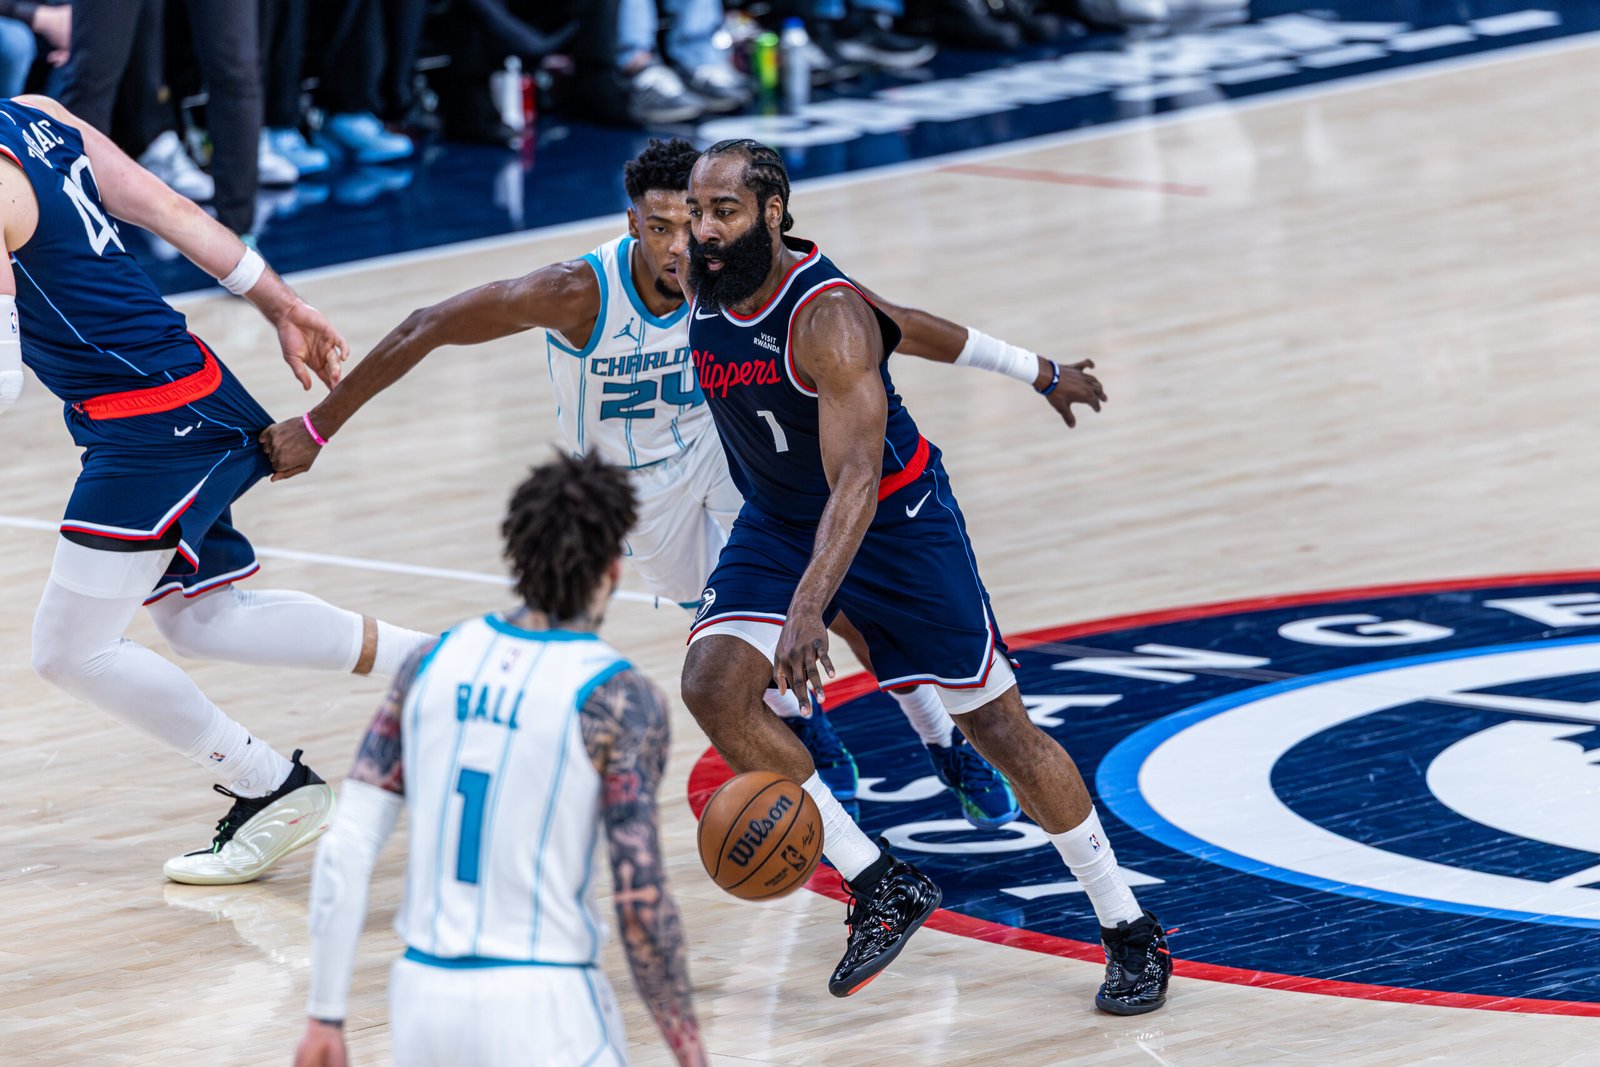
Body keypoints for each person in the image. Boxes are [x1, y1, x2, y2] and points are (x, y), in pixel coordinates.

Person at [259, 137, 1097, 832]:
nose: (677, 245)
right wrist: (320, 424)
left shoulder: (745, 277)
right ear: (634, 224)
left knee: (834, 591)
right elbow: (427, 325)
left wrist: (1037, 368)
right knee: (748, 658)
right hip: (642, 497)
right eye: (660, 226)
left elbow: (896, 323)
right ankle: (808, 730)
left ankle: (941, 738)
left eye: (690, 222)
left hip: (732, 466)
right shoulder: (576, 292)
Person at [677, 138, 1171, 1011]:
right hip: (782, 522)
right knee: (713, 685)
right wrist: (1038, 370)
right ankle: (881, 882)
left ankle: (1129, 925)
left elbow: (857, 478)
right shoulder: (698, 279)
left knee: (1001, 730)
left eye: (724, 211)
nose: (704, 229)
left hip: (897, 524)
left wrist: (807, 608)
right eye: (695, 211)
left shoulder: (826, 318)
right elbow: (910, 321)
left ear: (773, 214)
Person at [0, 94, 432, 884]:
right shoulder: (35, 113)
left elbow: (2, 380)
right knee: (204, 618)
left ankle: (271, 784)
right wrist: (283, 302)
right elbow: (168, 208)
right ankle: (445, 665)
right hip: (178, 388)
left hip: (151, 421)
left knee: (68, 651)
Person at [292, 452, 705, 1067]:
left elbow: (346, 846)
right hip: (545, 1004)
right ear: (614, 569)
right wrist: (691, 1054)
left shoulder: (428, 664)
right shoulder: (620, 698)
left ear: (516, 555)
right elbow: (640, 902)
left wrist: (325, 1015)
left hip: (424, 998)